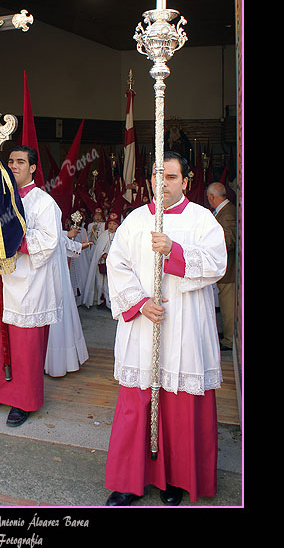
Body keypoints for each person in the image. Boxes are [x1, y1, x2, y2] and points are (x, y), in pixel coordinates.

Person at [104, 151, 227, 506]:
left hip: (186, 326)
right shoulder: (135, 220)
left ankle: (175, 478)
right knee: (136, 403)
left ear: (186, 181)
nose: (164, 183)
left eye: (172, 177)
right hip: (144, 326)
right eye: (159, 176)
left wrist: (174, 250)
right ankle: (129, 480)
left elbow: (217, 263)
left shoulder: (202, 220)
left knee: (180, 406)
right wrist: (140, 302)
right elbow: (118, 264)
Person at [0, 145, 63, 427]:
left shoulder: (43, 202)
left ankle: (23, 400)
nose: (14, 166)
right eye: (10, 161)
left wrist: (9, 240)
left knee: (24, 345)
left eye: (21, 162)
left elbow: (48, 241)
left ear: (33, 168)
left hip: (26, 284)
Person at [44, 227, 89, 377]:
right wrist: (72, 242)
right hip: (42, 273)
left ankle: (56, 361)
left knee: (57, 315)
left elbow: (54, 234)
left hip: (53, 274)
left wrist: (69, 238)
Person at [207, 181, 236, 351]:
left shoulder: (227, 213)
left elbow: (228, 240)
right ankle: (226, 335)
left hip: (229, 269)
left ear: (211, 197)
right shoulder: (224, 212)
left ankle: (230, 339)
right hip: (224, 268)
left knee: (228, 306)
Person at [83, 212, 120, 309]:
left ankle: (110, 304)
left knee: (110, 284)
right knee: (99, 284)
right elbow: (98, 249)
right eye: (110, 224)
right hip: (101, 263)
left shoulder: (119, 236)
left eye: (114, 224)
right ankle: (100, 301)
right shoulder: (103, 234)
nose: (111, 226)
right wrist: (102, 254)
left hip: (113, 264)